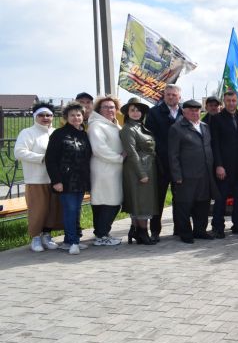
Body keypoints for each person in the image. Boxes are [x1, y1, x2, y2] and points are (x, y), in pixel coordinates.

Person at [14, 102, 62, 252]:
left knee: (52, 210)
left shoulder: (56, 132)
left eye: (48, 115)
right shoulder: (27, 133)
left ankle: (46, 236)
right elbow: (19, 152)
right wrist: (42, 158)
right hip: (36, 180)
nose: (45, 118)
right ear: (35, 116)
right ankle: (35, 238)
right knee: (38, 210)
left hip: (54, 180)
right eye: (41, 115)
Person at [45, 102, 92, 254]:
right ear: (66, 117)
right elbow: (50, 159)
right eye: (72, 115)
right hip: (65, 180)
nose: (76, 118)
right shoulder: (58, 134)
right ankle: (73, 242)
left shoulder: (84, 134)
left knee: (76, 210)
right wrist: (56, 181)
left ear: (82, 116)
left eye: (78, 115)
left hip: (80, 179)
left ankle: (70, 240)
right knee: (70, 210)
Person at [168, 99, 217, 243]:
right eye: (191, 111)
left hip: (204, 174)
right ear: (184, 112)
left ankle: (200, 230)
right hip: (186, 175)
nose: (195, 113)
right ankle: (185, 233)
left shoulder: (204, 126)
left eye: (197, 110)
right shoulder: (177, 128)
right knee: (184, 205)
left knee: (203, 204)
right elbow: (173, 155)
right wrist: (177, 175)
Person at [210, 89, 238, 238]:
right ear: (224, 102)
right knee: (221, 198)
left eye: (234, 100)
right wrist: (219, 165)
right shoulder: (216, 119)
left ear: (237, 102)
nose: (231, 103)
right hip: (224, 167)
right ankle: (218, 227)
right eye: (228, 101)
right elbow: (214, 144)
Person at [145, 84, 183, 242]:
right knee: (158, 198)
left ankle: (179, 228)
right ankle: (155, 231)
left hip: (180, 163)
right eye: (168, 95)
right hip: (160, 162)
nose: (171, 97)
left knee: (180, 197)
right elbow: (149, 136)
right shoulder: (154, 113)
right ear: (164, 95)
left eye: (174, 95)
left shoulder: (184, 112)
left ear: (179, 97)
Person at [119, 97, 159, 246]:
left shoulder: (140, 127)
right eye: (132, 110)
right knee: (141, 202)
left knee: (143, 201)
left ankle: (136, 230)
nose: (136, 113)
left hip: (148, 166)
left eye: (138, 110)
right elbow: (132, 152)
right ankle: (143, 232)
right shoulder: (128, 129)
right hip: (138, 169)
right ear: (127, 113)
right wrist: (141, 173)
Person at [88, 96, 124, 246]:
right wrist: (119, 158)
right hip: (104, 170)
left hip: (113, 170)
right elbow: (99, 149)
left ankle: (101, 233)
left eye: (112, 107)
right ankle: (102, 235)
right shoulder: (97, 125)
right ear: (99, 110)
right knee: (109, 202)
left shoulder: (112, 124)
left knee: (107, 202)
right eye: (106, 107)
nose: (110, 110)